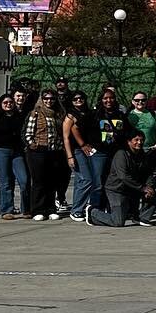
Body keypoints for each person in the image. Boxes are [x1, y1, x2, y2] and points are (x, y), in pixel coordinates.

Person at [86, 131, 156, 227]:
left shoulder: (142, 154)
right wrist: (142, 188)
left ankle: (141, 217)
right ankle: (92, 212)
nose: (139, 142)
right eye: (136, 140)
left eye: (141, 140)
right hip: (117, 190)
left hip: (133, 189)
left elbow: (149, 173)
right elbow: (124, 177)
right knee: (118, 222)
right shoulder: (121, 154)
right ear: (129, 142)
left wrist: (149, 187)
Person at [62, 90, 105, 222]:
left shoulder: (88, 113)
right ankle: (76, 210)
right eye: (75, 99)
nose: (78, 101)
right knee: (87, 179)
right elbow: (66, 137)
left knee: (81, 181)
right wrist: (69, 156)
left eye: (81, 98)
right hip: (77, 151)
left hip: (89, 149)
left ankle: (80, 208)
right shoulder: (70, 116)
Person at [24, 89, 65, 220]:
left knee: (52, 181)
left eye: (52, 98)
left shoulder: (58, 113)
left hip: (54, 151)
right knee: (38, 181)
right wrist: (33, 145)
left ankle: (50, 208)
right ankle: (37, 210)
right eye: (46, 98)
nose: (49, 101)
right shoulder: (35, 113)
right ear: (42, 99)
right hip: (38, 152)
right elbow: (28, 132)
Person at [0, 93, 28, 220]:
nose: (8, 105)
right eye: (5, 103)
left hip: (17, 152)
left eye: (10, 102)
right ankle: (6, 210)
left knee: (24, 180)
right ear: (1, 105)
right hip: (0, 151)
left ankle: (26, 209)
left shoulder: (19, 117)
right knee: (6, 181)